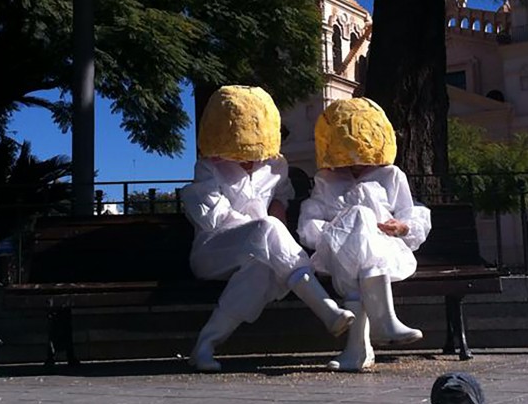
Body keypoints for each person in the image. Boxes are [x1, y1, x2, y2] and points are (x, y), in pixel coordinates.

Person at [181, 85, 355, 372]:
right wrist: (266, 231)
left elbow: (280, 201)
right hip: (213, 251)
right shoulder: (209, 167)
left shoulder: (276, 165)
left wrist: (273, 236)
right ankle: (326, 309)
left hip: (261, 252)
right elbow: (214, 220)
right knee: (265, 229)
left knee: (260, 273)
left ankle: (205, 346)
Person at [298, 97, 431, 372]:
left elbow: (411, 213)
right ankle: (384, 321)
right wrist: (337, 232)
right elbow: (309, 223)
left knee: (365, 233)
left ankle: (357, 350)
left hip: (385, 251)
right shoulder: (326, 180)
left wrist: (402, 227)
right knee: (359, 215)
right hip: (335, 254)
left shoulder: (390, 175)